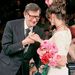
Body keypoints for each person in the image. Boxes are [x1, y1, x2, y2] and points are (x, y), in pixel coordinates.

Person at [0, 3, 45, 75]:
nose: (34, 20)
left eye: (37, 17)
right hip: (7, 68)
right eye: (31, 16)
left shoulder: (40, 31)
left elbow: (38, 53)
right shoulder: (11, 25)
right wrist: (24, 42)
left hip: (24, 70)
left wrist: (39, 66)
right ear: (25, 14)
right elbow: (6, 49)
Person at [29, 4, 72, 75]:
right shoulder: (66, 30)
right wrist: (39, 39)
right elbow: (55, 49)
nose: (48, 20)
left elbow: (61, 61)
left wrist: (45, 57)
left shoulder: (60, 34)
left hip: (56, 72)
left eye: (48, 18)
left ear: (53, 16)